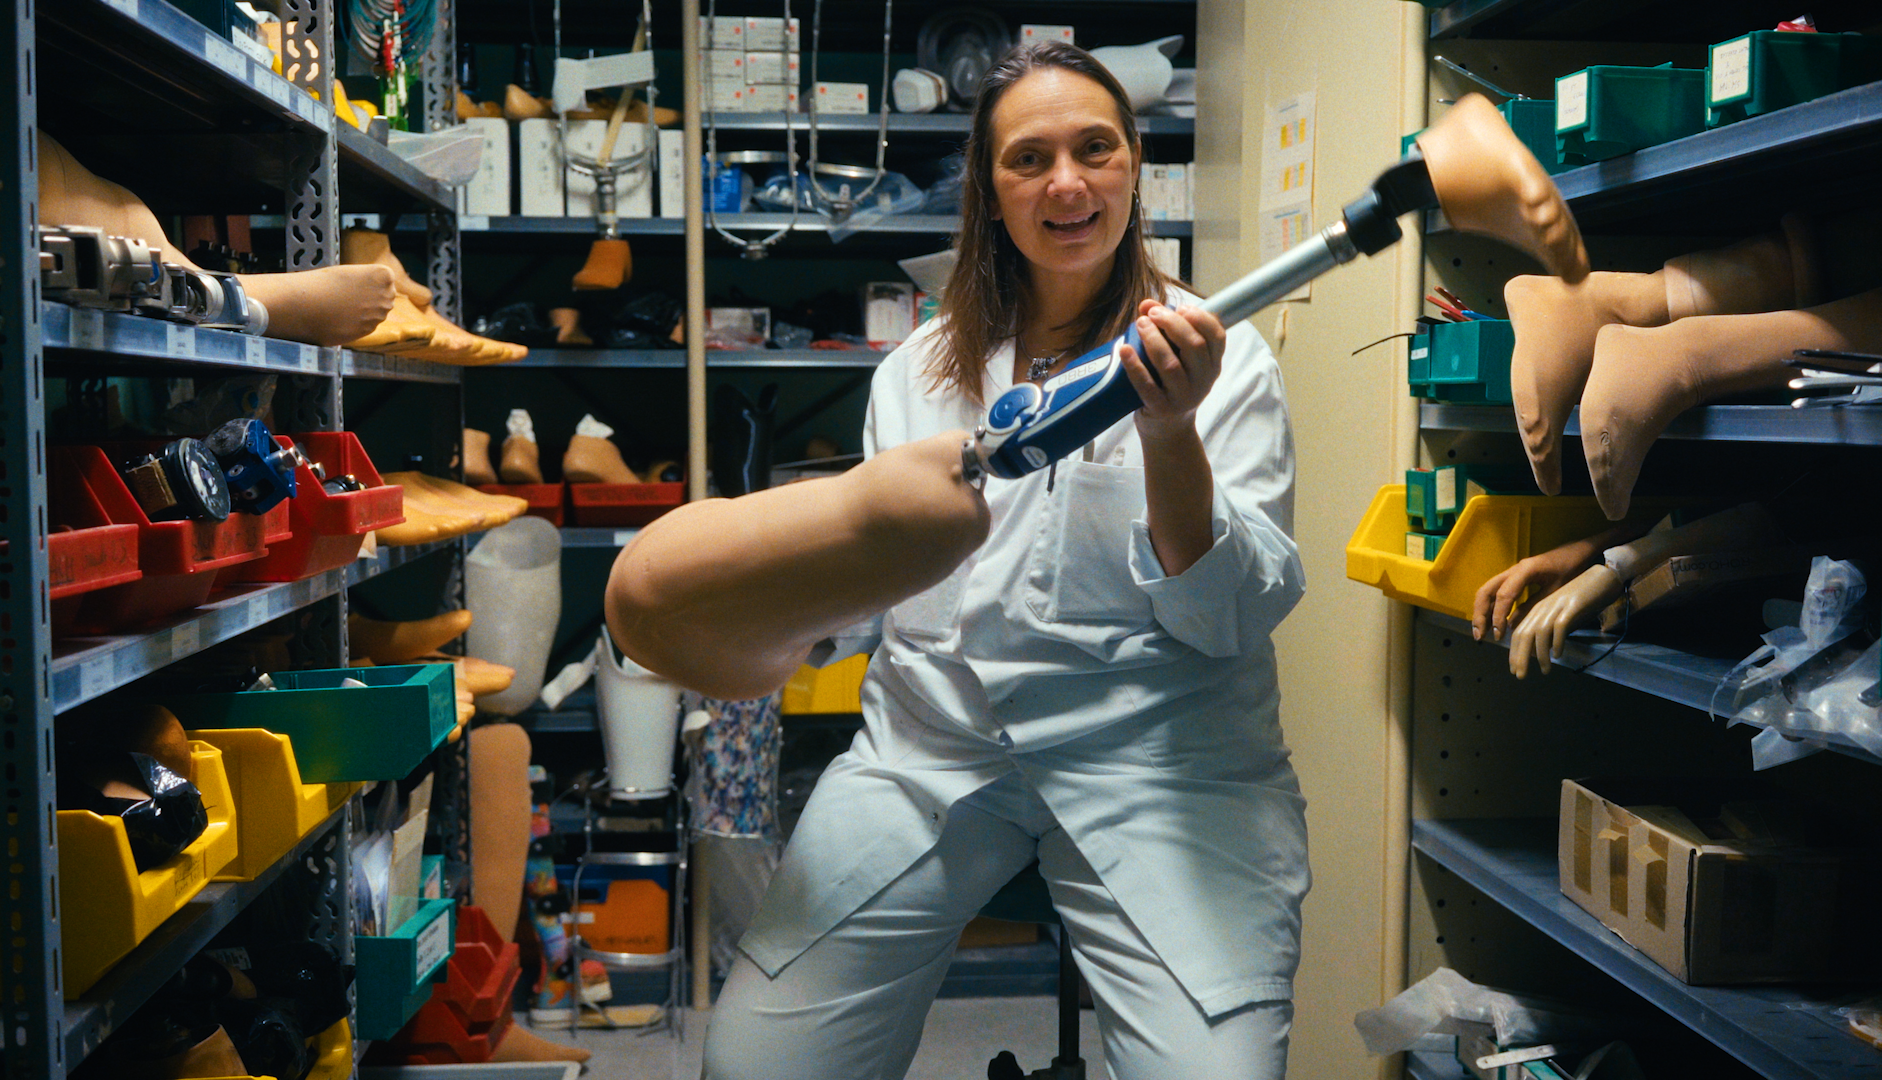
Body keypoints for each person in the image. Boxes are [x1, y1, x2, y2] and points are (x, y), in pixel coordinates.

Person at [697, 42, 1308, 1080]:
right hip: (933, 750)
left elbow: (1229, 617)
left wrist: (1170, 432)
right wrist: (761, 612)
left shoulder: (1224, 359)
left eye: (1094, 149)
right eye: (1029, 159)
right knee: (754, 1064)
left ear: (1134, 167)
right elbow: (872, 590)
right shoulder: (914, 375)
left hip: (1159, 758)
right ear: (988, 190)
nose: (1066, 183)